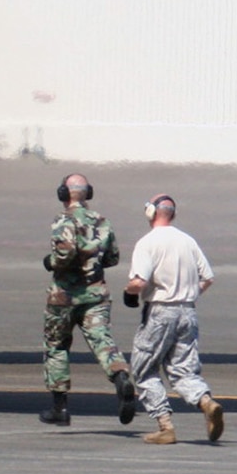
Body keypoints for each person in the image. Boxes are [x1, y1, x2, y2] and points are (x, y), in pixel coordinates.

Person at [124, 194, 223, 447]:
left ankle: (165, 426)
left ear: (151, 213)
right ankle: (206, 402)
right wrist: (188, 294)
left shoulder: (147, 243)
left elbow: (139, 282)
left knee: (144, 370)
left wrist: (128, 292)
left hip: (160, 311)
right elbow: (208, 277)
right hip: (188, 311)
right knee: (183, 369)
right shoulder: (188, 241)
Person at [38, 173, 136, 427]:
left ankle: (59, 407)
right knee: (102, 340)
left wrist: (52, 262)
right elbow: (112, 258)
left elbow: (65, 252)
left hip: (64, 297)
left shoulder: (63, 220)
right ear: (88, 193)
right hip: (95, 294)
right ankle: (120, 377)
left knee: (57, 346)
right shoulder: (101, 221)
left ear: (63, 193)